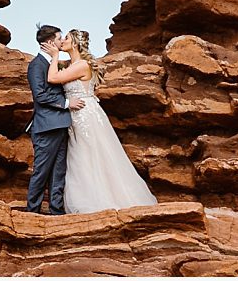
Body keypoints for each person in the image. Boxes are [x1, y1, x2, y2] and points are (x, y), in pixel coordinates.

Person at [45, 28, 158, 213]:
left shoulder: (81, 65)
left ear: (75, 43)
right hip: (76, 115)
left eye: (66, 38)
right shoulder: (72, 65)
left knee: (91, 154)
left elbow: (52, 77)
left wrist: (55, 55)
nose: (62, 40)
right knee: (79, 154)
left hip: (85, 115)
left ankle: (99, 200)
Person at [22, 24, 85, 214]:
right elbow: (40, 95)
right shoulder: (36, 65)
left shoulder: (55, 64)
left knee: (59, 171)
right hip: (46, 127)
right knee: (41, 171)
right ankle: (32, 211)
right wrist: (67, 103)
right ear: (50, 42)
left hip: (61, 125)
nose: (62, 41)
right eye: (59, 39)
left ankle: (56, 211)